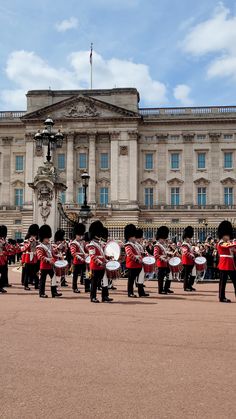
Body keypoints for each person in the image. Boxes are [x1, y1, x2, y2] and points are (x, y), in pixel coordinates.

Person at [87, 220, 113, 303]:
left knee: (104, 280)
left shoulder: (99, 244)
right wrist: (100, 263)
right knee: (94, 282)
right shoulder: (91, 245)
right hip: (95, 266)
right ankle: (93, 297)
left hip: (102, 265)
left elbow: (103, 254)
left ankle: (105, 296)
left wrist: (108, 257)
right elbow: (92, 256)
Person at [36, 225, 62, 298]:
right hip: (44, 266)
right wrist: (48, 260)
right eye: (47, 238)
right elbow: (40, 256)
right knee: (42, 280)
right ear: (43, 238)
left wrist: (59, 256)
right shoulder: (39, 247)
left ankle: (54, 292)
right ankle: (41, 293)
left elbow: (53, 254)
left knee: (53, 278)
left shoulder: (50, 246)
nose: (48, 239)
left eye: (48, 237)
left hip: (51, 266)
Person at [124, 224, 147, 298]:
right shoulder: (128, 245)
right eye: (134, 236)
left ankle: (140, 292)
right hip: (132, 264)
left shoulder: (134, 245)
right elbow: (130, 254)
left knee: (137, 278)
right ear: (130, 237)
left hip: (137, 264)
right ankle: (130, 292)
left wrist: (143, 255)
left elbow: (138, 253)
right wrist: (137, 260)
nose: (135, 238)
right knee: (131, 280)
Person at [217, 221, 236, 303]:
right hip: (224, 264)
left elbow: (233, 250)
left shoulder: (228, 243)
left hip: (231, 264)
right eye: (227, 235)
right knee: (223, 282)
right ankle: (222, 297)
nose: (228, 237)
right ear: (223, 235)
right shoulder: (221, 243)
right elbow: (229, 246)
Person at [154, 226, 173, 294]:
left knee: (168, 276)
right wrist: (162, 257)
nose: (164, 240)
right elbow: (156, 255)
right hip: (161, 264)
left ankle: (166, 288)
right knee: (161, 278)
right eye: (163, 239)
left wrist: (169, 254)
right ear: (159, 238)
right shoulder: (157, 246)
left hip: (166, 263)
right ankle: (160, 290)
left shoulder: (163, 246)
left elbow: (164, 253)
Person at [20, 224, 39, 291]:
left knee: (36, 272)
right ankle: (26, 285)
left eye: (35, 235)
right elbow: (23, 249)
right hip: (28, 258)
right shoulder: (26, 241)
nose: (34, 236)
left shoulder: (37, 242)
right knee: (27, 273)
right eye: (33, 235)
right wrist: (30, 243)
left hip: (35, 258)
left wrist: (36, 242)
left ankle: (37, 285)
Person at [69, 223, 87, 293]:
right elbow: (73, 253)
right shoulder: (73, 243)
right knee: (75, 276)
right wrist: (81, 256)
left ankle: (87, 286)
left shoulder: (83, 242)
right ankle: (74, 287)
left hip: (83, 261)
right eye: (79, 235)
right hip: (77, 261)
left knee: (85, 274)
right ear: (76, 235)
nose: (80, 236)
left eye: (81, 235)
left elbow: (86, 250)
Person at [181, 226, 196, 292]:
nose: (189, 239)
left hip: (190, 261)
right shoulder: (184, 244)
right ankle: (185, 287)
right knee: (186, 275)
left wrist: (195, 252)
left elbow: (189, 251)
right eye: (188, 238)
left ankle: (189, 285)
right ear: (185, 237)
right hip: (186, 261)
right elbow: (185, 252)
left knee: (191, 274)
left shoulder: (188, 244)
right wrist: (192, 255)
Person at [0, 225, 11, 293]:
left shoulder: (3, 240)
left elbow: (7, 248)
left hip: (2, 259)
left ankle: (1, 286)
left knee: (4, 274)